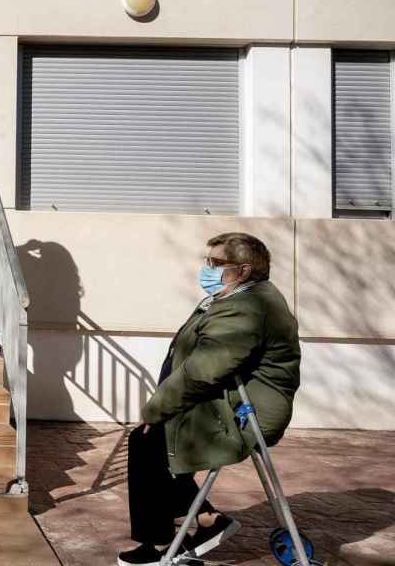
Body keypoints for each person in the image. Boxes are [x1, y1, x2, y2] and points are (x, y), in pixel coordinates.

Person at [118, 233, 301, 566]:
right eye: (208, 262)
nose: (208, 270)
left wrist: (157, 408)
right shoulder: (235, 297)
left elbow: (204, 368)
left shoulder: (249, 307)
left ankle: (158, 543)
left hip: (246, 414)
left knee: (148, 441)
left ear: (243, 270)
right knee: (157, 440)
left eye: (216, 264)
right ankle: (206, 521)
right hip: (226, 402)